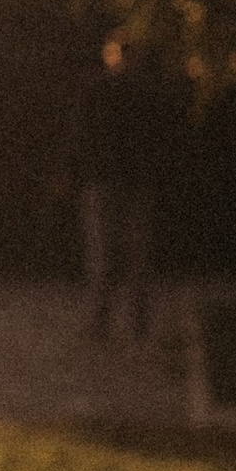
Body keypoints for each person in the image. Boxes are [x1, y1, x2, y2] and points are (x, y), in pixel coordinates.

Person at [70, 34, 164, 343]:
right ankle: (137, 321)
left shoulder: (97, 89)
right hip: (132, 180)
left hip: (105, 179)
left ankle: (102, 320)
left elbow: (81, 134)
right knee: (136, 252)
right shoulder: (145, 91)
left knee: (104, 252)